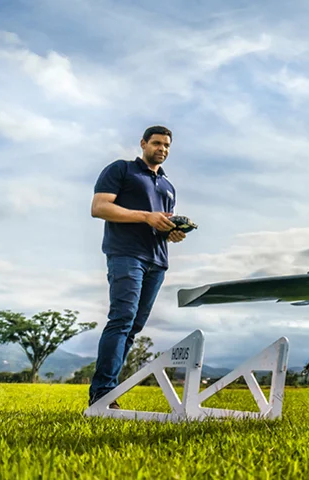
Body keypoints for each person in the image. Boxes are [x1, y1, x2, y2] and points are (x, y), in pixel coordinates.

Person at [88, 125, 186, 408]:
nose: (162, 149)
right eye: (156, 143)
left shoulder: (168, 186)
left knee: (133, 327)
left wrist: (172, 232)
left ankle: (108, 391)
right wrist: (146, 217)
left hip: (157, 261)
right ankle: (102, 393)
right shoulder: (121, 170)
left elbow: (159, 223)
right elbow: (99, 207)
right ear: (143, 144)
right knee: (122, 318)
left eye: (166, 145)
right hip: (125, 255)